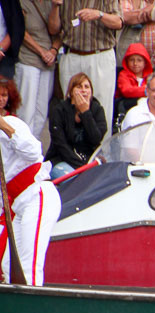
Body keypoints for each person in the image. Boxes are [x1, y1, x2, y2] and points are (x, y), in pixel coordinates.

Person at [0, 112, 61, 286]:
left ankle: (32, 310)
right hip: (19, 205)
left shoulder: (11, 123)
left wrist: (5, 127)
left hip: (37, 195)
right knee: (9, 266)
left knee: (28, 267)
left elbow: (34, 151)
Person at [59, 0, 122, 136]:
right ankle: (71, 151)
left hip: (99, 54)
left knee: (102, 106)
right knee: (70, 104)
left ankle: (100, 154)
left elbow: (118, 22)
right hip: (72, 54)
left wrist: (99, 14)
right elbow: (54, 28)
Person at [45, 73, 107, 179]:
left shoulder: (97, 110)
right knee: (77, 181)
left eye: (86, 87)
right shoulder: (59, 110)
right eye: (79, 86)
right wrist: (81, 167)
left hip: (90, 159)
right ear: (71, 92)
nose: (83, 90)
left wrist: (85, 113)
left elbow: (96, 139)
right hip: (62, 160)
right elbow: (60, 144)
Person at [14, 0, 61, 139]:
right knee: (26, 112)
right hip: (28, 59)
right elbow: (20, 30)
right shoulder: (22, 2)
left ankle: (34, 151)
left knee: (41, 113)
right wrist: (41, 51)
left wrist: (53, 51)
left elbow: (60, 31)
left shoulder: (54, 3)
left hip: (48, 61)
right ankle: (22, 152)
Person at [116, 43, 154, 123]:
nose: (135, 64)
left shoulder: (151, 76)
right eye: (132, 60)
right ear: (127, 61)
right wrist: (147, 91)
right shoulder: (123, 74)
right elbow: (126, 91)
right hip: (127, 109)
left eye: (139, 60)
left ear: (145, 62)